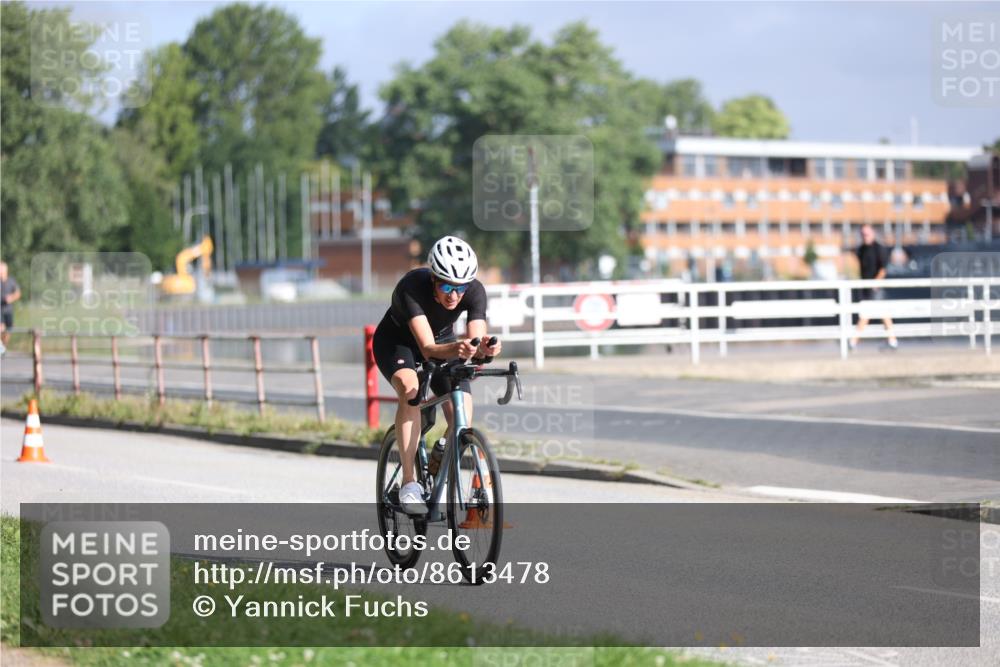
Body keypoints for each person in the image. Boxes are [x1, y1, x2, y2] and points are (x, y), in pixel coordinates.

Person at [372, 236, 501, 514]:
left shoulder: (475, 291)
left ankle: (443, 449)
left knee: (462, 410)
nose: (454, 295)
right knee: (410, 391)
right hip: (399, 342)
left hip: (444, 341)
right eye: (446, 286)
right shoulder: (411, 287)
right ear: (433, 279)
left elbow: (475, 343)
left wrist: (487, 349)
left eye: (460, 288)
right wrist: (459, 347)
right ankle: (409, 485)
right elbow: (428, 349)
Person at [849, 225, 897, 350]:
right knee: (882, 314)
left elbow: (883, 269)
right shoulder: (861, 250)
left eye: (867, 234)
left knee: (867, 314)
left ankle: (852, 342)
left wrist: (876, 283)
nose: (865, 236)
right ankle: (892, 341)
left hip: (876, 287)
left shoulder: (879, 249)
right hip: (865, 286)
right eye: (863, 234)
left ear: (873, 234)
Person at [0, 261, 21, 355]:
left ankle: (3, 347)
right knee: (1, 327)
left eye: (2, 269)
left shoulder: (11, 281)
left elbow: (18, 293)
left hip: (8, 309)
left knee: (8, 330)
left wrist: (11, 298)